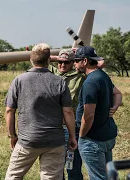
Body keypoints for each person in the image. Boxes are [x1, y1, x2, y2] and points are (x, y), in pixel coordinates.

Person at [4, 43, 77, 180]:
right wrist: (72, 136)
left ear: (31, 60)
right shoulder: (60, 82)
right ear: (49, 61)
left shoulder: (19, 80)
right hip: (54, 141)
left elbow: (9, 111)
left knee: (13, 176)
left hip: (27, 140)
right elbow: (68, 112)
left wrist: (12, 135)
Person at [74, 46, 122, 180]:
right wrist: (116, 105)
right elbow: (117, 93)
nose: (74, 63)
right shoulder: (103, 76)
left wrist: (82, 135)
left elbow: (88, 115)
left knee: (98, 177)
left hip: (93, 139)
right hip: (106, 136)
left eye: (76, 60)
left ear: (84, 61)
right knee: (108, 176)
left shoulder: (90, 82)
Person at [49, 49, 85, 180]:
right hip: (55, 128)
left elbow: (98, 65)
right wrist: (58, 56)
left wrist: (78, 55)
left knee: (73, 167)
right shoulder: (53, 72)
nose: (62, 65)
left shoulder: (80, 76)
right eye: (60, 62)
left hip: (71, 128)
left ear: (73, 62)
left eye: (67, 62)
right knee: (56, 167)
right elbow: (38, 58)